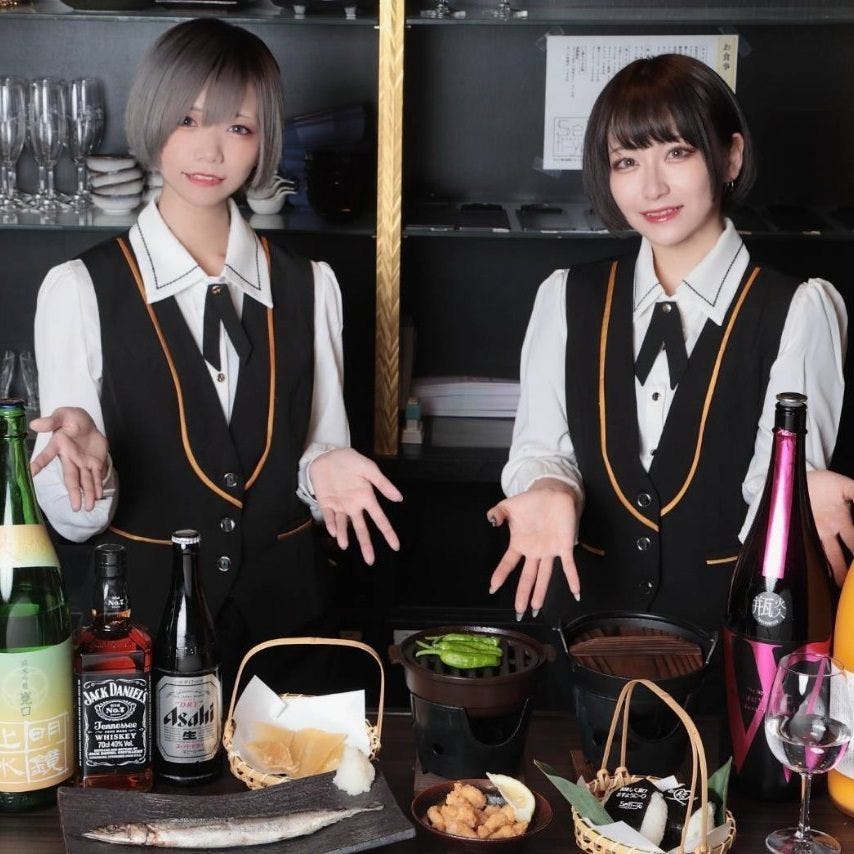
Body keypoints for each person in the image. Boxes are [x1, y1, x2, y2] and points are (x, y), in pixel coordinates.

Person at [29, 18, 401, 689]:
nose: (210, 149)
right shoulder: (79, 288)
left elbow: (318, 462)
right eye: (188, 119)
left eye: (238, 126)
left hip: (289, 634)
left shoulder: (310, 285)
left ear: (264, 140)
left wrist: (328, 468)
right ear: (153, 118)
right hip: (139, 638)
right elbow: (75, 523)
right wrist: (88, 467)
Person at [487, 53, 853, 636]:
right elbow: (540, 448)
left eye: (678, 153)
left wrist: (802, 495)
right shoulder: (566, 298)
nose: (652, 186)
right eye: (626, 161)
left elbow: (776, 491)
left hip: (727, 639)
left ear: (730, 156)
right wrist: (549, 486)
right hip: (581, 633)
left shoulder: (798, 309)